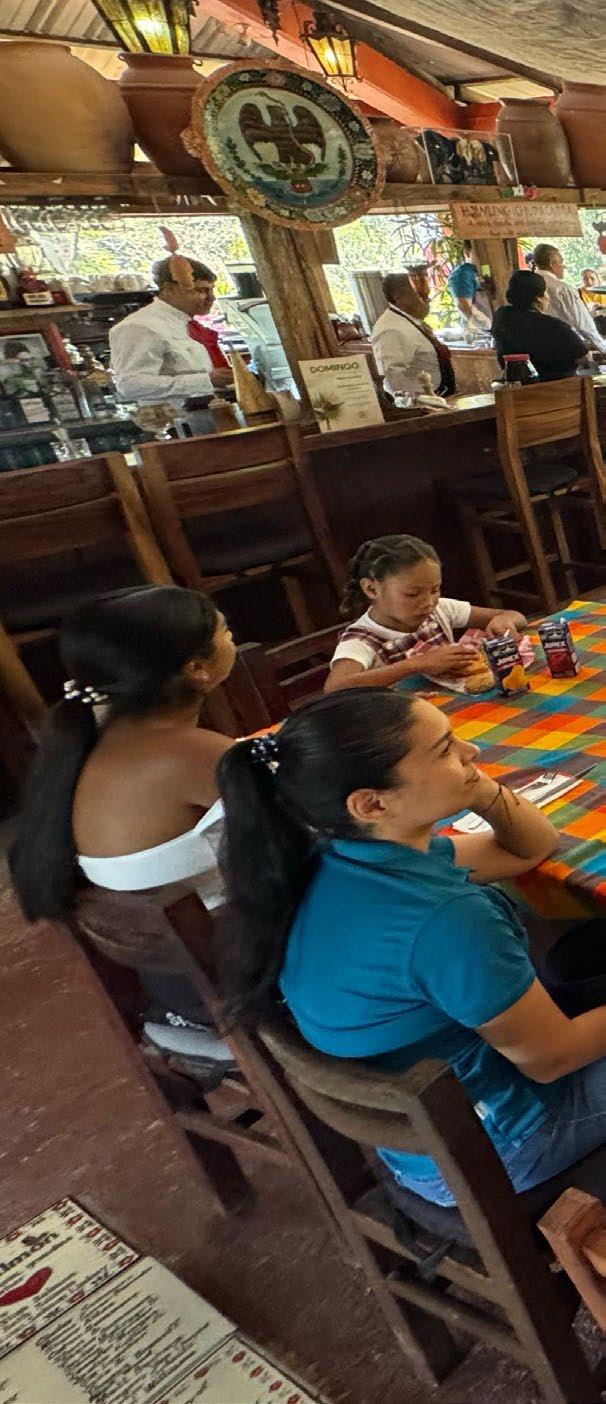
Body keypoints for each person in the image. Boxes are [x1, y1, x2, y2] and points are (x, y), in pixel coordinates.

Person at [216, 687, 606, 1208]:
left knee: (580, 951)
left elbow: (530, 847)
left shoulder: (336, 859)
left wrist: (476, 786)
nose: (471, 752)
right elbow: (550, 1059)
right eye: (446, 750)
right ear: (372, 803)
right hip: (505, 1145)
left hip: (432, 1134)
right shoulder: (444, 918)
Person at [10, 585, 237, 1068]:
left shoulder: (89, 746)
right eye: (226, 631)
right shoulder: (189, 754)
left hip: (174, 985)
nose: (232, 637)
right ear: (198, 669)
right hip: (235, 987)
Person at [325, 534, 525, 693]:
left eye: (435, 590)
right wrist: (417, 664)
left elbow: (515, 616)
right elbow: (335, 688)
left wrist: (503, 621)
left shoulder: (440, 610)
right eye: (412, 594)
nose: (429, 602)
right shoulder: (361, 640)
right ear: (371, 589)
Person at [109, 256, 233, 405]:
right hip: (171, 416)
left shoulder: (186, 323)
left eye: (211, 290)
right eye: (201, 290)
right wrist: (206, 380)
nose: (211, 298)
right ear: (169, 289)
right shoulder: (139, 326)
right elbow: (131, 385)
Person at [492, 270, 591, 382]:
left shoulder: (502, 317)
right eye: (546, 292)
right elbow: (585, 358)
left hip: (514, 385)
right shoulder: (553, 326)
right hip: (558, 386)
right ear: (538, 298)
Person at [371, 273, 456, 401]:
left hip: (440, 398)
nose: (428, 301)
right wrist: (420, 404)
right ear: (399, 298)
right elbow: (393, 378)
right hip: (423, 405)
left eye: (427, 296)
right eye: (420, 296)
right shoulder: (391, 329)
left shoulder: (410, 322)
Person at [532, 243, 606, 353]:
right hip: (563, 349)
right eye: (561, 262)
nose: (564, 266)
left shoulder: (526, 284)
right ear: (551, 264)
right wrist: (602, 347)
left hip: (535, 348)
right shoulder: (562, 289)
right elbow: (583, 325)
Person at [447, 241, 492, 332]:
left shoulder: (484, 269)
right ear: (467, 253)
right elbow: (463, 306)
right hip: (479, 332)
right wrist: (485, 329)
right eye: (480, 251)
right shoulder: (464, 273)